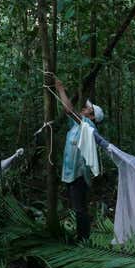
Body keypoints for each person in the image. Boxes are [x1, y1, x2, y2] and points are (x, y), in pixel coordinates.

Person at [55, 78, 104, 241]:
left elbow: (69, 110)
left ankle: (83, 239)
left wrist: (60, 89)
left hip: (79, 175)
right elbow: (67, 109)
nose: (83, 109)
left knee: (79, 208)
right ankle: (82, 236)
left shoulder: (88, 125)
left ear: (91, 115)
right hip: (70, 173)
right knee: (78, 207)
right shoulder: (76, 126)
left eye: (86, 108)